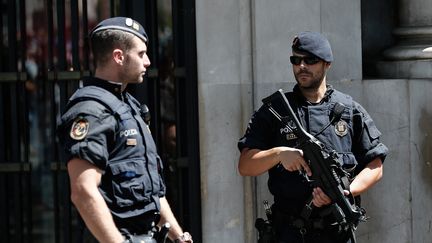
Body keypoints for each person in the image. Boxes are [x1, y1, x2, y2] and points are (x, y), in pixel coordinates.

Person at [237, 31, 388, 243]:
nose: (301, 66)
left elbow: (375, 166)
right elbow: (245, 165)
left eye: (310, 60)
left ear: (327, 63)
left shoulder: (349, 110)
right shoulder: (277, 110)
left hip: (336, 232)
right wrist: (279, 154)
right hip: (290, 232)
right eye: (296, 60)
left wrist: (345, 192)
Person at [57, 17, 192, 243]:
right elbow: (83, 190)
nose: (148, 61)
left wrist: (178, 237)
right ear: (119, 57)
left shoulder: (129, 107)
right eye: (141, 54)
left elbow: (152, 193)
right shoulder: (91, 110)